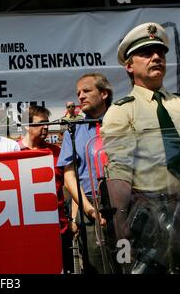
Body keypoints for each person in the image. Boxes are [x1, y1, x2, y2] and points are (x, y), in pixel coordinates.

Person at [102, 22, 180, 273]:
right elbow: (119, 173)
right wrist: (121, 226)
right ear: (129, 65)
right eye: (146, 53)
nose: (157, 57)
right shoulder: (121, 111)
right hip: (155, 219)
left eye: (161, 52)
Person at [57, 73, 112, 274]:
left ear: (104, 93)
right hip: (89, 208)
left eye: (86, 91)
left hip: (123, 205)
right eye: (78, 93)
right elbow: (69, 176)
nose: (80, 96)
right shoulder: (74, 130)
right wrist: (89, 210)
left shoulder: (122, 122)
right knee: (96, 268)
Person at [19, 105, 73, 272]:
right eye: (41, 123)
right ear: (26, 126)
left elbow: (71, 183)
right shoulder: (12, 151)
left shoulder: (57, 152)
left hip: (58, 228)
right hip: (25, 231)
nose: (46, 127)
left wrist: (74, 218)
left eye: (47, 123)